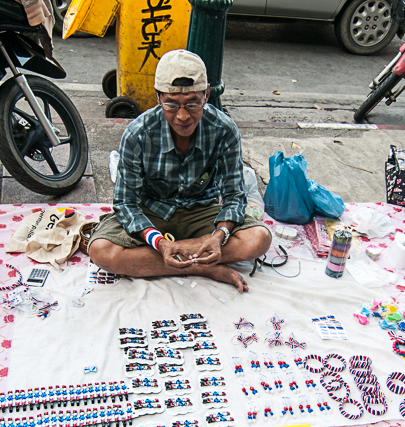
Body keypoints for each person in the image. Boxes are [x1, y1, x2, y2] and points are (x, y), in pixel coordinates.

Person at [87, 50, 272, 293]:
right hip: (152, 212)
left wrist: (218, 237)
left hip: (202, 212)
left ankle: (169, 260)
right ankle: (202, 266)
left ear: (206, 94)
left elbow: (234, 197)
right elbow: (125, 203)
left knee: (259, 239)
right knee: (101, 251)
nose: (183, 116)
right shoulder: (138, 134)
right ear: (158, 97)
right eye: (171, 104)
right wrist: (160, 243)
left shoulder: (224, 130)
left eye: (193, 103)